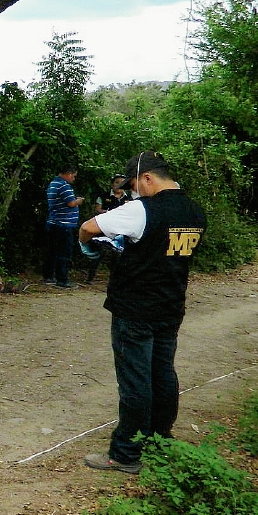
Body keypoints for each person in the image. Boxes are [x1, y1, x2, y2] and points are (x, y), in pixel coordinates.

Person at [79, 151, 205, 474]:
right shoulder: (195, 212)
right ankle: (159, 441)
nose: (135, 192)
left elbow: (89, 226)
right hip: (171, 307)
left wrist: (88, 245)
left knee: (136, 382)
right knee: (163, 375)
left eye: (135, 185)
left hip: (135, 309)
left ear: (147, 178)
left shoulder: (141, 210)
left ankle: (126, 452)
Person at [42, 164, 84, 288]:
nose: (74, 179)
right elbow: (71, 203)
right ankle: (62, 279)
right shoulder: (64, 185)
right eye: (74, 176)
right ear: (69, 174)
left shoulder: (53, 183)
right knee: (64, 253)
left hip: (54, 223)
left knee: (52, 251)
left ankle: (49, 276)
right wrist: (79, 201)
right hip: (63, 225)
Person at [85, 175, 129, 282]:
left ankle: (115, 278)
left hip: (121, 230)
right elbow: (98, 210)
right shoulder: (103, 196)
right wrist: (109, 213)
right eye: (116, 182)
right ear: (112, 184)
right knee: (99, 252)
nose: (119, 185)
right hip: (104, 228)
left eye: (122, 183)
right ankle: (90, 277)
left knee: (118, 254)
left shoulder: (129, 199)